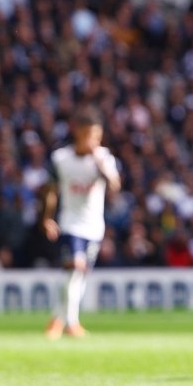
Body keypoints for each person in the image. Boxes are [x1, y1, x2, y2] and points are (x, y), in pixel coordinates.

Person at [42, 107, 121, 339]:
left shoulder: (104, 158)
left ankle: (57, 319)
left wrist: (101, 165)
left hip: (94, 226)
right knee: (75, 268)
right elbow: (51, 191)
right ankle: (72, 324)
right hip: (70, 223)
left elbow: (115, 187)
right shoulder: (61, 159)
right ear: (77, 132)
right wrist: (47, 218)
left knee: (78, 277)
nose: (92, 141)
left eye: (97, 136)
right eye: (88, 135)